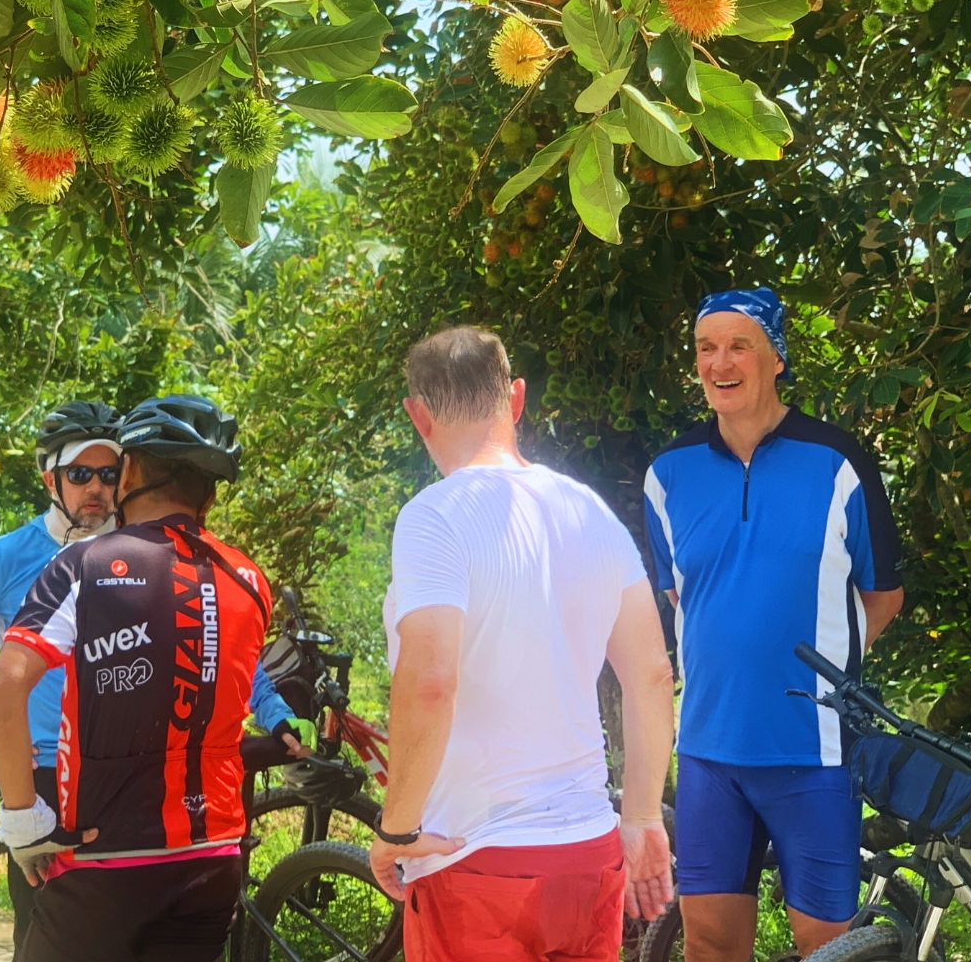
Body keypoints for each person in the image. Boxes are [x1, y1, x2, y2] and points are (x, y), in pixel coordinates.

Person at [0, 399, 310, 956]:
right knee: (34, 931)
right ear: (51, 479)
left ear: (130, 473)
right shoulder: (8, 557)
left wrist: (273, 709)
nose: (97, 487)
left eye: (109, 471)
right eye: (80, 474)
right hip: (44, 774)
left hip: (138, 794)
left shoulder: (137, 551)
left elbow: (214, 641)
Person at [365, 326, 678, 962]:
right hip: (587, 851)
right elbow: (650, 673)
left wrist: (396, 829)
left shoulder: (434, 516)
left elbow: (430, 682)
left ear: (417, 416)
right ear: (515, 399)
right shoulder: (590, 512)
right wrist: (643, 816)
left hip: (474, 856)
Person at [643, 288, 905, 962]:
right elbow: (679, 597)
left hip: (813, 752)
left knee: (828, 949)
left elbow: (883, 596)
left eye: (740, 346)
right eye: (706, 348)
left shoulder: (837, 461)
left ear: (776, 358)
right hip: (709, 753)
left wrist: (821, 670)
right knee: (708, 943)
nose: (719, 363)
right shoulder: (668, 474)